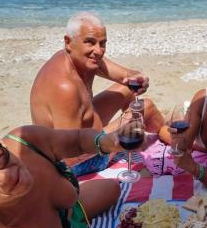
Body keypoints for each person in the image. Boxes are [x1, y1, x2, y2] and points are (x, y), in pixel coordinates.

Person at [30, 11, 164, 176]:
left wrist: (134, 76)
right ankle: (172, 139)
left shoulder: (80, 58)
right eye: (90, 42)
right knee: (146, 106)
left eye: (102, 43)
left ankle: (163, 136)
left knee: (129, 90)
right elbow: (70, 154)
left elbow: (124, 76)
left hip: (85, 130)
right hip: (75, 164)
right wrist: (116, 137)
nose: (98, 51)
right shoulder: (65, 87)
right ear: (68, 42)